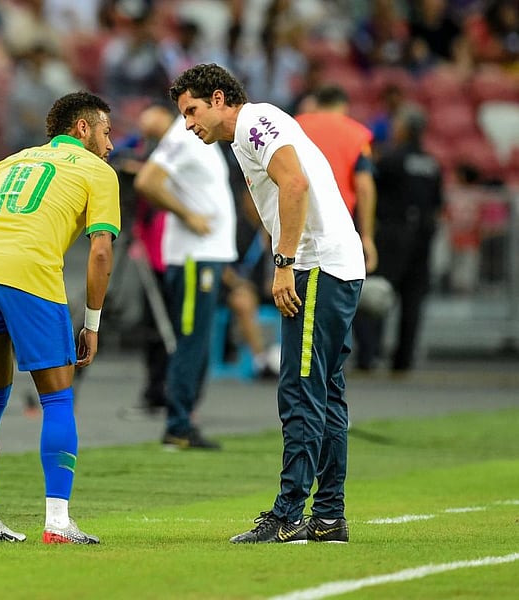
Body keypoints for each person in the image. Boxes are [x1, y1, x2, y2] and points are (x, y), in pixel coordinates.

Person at [169, 63, 364, 543]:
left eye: (192, 111)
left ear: (219, 99)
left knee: (300, 391)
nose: (189, 124)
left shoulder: (255, 122)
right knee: (324, 391)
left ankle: (289, 515)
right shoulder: (249, 133)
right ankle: (328, 516)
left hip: (317, 265)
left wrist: (284, 263)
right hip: (337, 263)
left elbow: (294, 184)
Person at [0, 91, 119, 545]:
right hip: (30, 275)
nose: (111, 144)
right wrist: (93, 323)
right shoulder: (98, 172)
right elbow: (101, 249)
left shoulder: (10, 162)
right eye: (106, 131)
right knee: (58, 401)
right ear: (82, 129)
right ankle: (58, 523)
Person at [133, 103, 238, 449]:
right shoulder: (183, 135)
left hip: (206, 255)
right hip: (195, 256)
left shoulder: (190, 136)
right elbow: (147, 181)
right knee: (192, 339)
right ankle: (178, 424)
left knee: (198, 339)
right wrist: (187, 215)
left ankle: (184, 419)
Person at [354, 106, 443, 373]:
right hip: (423, 238)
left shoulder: (391, 160)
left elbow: (370, 190)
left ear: (403, 129)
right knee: (413, 298)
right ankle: (403, 361)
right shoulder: (432, 163)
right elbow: (437, 204)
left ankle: (368, 356)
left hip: (392, 236)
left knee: (376, 291)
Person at [295, 84, 378, 274]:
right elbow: (364, 187)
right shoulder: (357, 134)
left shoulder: (294, 126)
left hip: (294, 218)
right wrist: (367, 237)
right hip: (335, 225)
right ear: (344, 107)